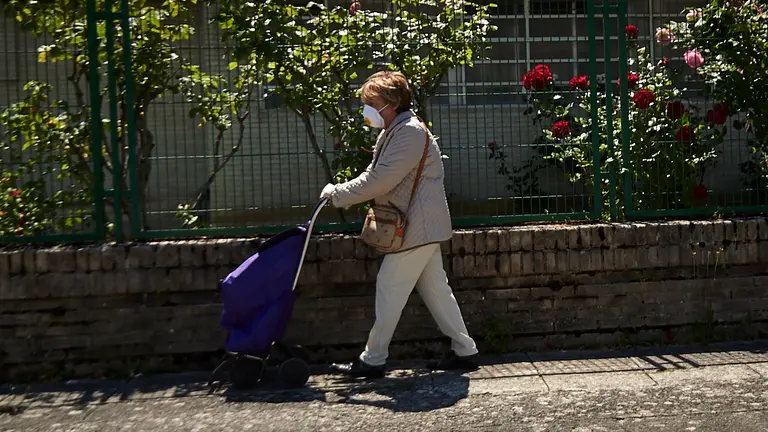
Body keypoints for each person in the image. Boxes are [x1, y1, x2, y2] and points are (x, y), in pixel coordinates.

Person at [320, 71, 479, 378]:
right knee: (435, 289)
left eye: (372, 102)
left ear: (390, 104)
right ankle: (465, 350)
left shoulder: (407, 133)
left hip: (415, 228)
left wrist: (337, 194)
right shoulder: (397, 129)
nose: (367, 109)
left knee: (390, 285)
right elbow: (376, 174)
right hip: (420, 225)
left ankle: (373, 359)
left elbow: (379, 179)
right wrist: (343, 192)